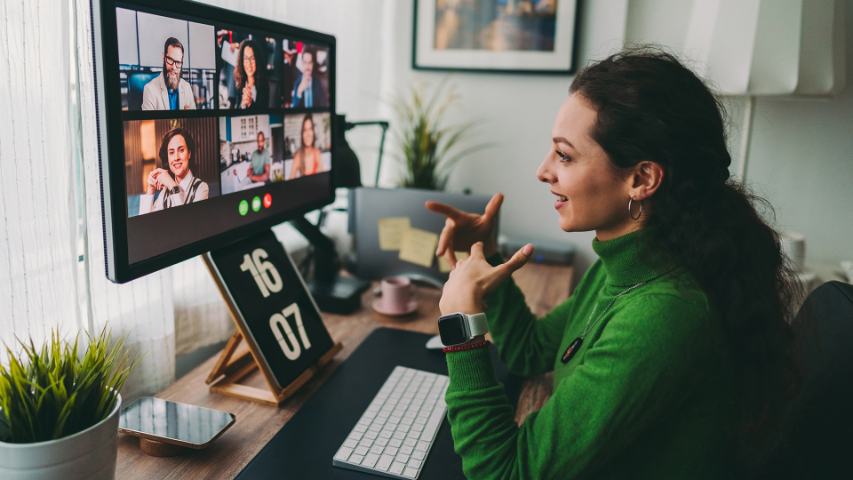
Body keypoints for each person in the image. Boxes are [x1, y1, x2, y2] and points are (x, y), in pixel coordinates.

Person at [426, 49, 798, 479]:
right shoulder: (628, 263)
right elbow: (529, 352)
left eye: (564, 156)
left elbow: (503, 473)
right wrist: (489, 254)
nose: (543, 171)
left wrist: (460, 325)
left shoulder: (662, 315)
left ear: (641, 179)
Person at [139, 127, 209, 214]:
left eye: (181, 150)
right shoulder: (164, 193)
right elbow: (145, 223)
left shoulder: (201, 188)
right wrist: (150, 189)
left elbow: (188, 221)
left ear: (189, 153)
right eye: (171, 152)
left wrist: (171, 184)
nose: (176, 158)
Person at [141, 37, 197, 111]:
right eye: (170, 60)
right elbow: (148, 122)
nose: (173, 67)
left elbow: (194, 121)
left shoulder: (187, 87)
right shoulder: (150, 90)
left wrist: (189, 119)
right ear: (163, 58)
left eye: (178, 62)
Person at [233, 39, 269, 110]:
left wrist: (250, 103)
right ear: (241, 61)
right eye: (246, 59)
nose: (249, 63)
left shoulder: (265, 86)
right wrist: (243, 105)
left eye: (252, 58)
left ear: (257, 60)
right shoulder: (237, 85)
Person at [289, 114, 322, 179]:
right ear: (302, 134)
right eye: (305, 130)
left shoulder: (317, 153)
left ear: (313, 132)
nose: (308, 134)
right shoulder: (298, 156)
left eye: (310, 129)